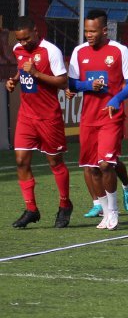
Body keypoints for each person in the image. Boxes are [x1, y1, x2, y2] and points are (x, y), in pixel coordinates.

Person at [67, 9, 128, 230]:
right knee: (92, 168)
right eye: (86, 31)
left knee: (106, 164)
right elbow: (71, 84)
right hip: (88, 117)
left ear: (105, 30)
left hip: (111, 116)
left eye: (93, 31)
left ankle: (114, 211)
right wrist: (88, 85)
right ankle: (105, 213)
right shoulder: (79, 52)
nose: (89, 35)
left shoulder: (119, 51)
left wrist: (116, 99)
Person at [6, 16, 71, 228]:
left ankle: (64, 205)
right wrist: (14, 80)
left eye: (26, 38)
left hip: (48, 116)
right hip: (26, 115)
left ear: (35, 31)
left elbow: (62, 82)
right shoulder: (17, 48)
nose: (23, 43)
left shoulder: (50, 51)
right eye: (20, 39)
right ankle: (31, 209)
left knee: (55, 162)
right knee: (21, 161)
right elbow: (21, 68)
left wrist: (35, 73)